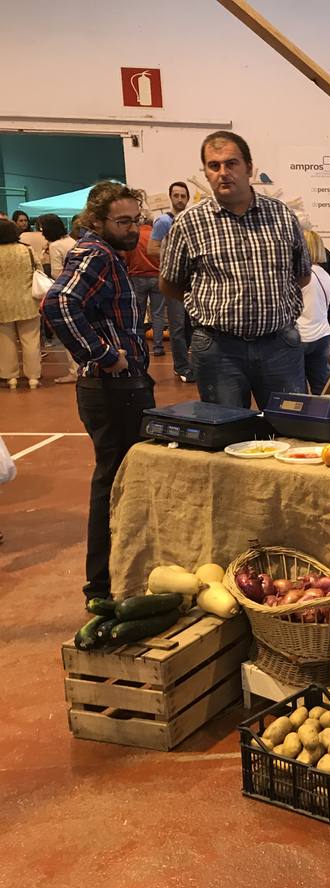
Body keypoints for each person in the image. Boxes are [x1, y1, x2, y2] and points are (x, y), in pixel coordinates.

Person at [41, 181, 154, 604]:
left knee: (117, 479)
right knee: (114, 482)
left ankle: (112, 579)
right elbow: (57, 304)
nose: (131, 228)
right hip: (112, 388)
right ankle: (103, 585)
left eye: (135, 220)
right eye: (122, 221)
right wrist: (104, 353)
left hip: (120, 386)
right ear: (96, 221)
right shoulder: (96, 254)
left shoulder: (109, 255)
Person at [159, 130, 310, 408]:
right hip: (218, 351)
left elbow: (301, 274)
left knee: (291, 432)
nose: (223, 173)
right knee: (226, 435)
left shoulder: (281, 216)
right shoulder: (189, 224)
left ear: (249, 167)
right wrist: (208, 305)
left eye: (231, 164)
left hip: (279, 347)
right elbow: (169, 283)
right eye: (213, 166)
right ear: (205, 172)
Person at [147, 181, 194, 382]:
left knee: (191, 324)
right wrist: (177, 256)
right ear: (171, 197)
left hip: (191, 282)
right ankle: (181, 367)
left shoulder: (189, 220)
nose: (180, 199)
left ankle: (189, 363)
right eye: (176, 195)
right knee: (177, 325)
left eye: (183, 196)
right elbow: (152, 249)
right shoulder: (164, 222)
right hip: (174, 281)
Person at [0, 219, 42, 389]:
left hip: (2, 303)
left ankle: (10, 377)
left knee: (5, 341)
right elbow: (38, 269)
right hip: (27, 301)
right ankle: (33, 377)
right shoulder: (27, 250)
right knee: (31, 340)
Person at [42, 215, 81, 384]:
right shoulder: (72, 241)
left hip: (66, 292)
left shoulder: (55, 246)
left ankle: (74, 371)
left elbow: (57, 272)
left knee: (68, 332)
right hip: (82, 289)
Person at [124, 216, 166, 356]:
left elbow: (127, 257)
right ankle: (158, 347)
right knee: (158, 314)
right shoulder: (157, 236)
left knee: (138, 313)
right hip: (156, 276)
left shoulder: (134, 236)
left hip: (137, 276)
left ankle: (139, 346)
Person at [299, 229, 330, 393]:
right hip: (323, 335)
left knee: (298, 390)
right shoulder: (324, 274)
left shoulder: (301, 275)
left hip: (301, 336)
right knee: (322, 388)